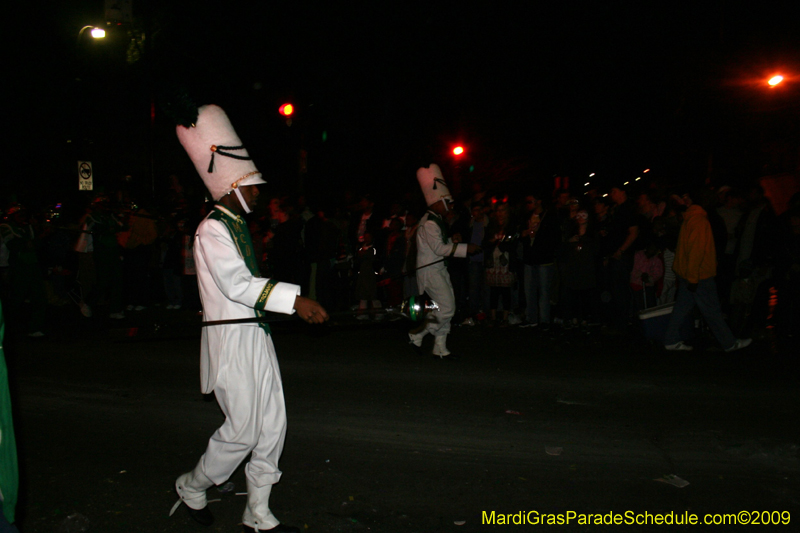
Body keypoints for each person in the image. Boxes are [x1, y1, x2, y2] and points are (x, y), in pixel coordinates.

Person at [172, 105, 328, 533]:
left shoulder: (236, 225)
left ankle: (257, 510)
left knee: (273, 424)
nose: (259, 194)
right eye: (252, 186)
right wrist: (294, 301)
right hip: (231, 342)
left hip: (255, 335)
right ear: (232, 187)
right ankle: (191, 484)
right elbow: (237, 285)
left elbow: (249, 286)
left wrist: (284, 301)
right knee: (242, 430)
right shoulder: (212, 230)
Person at [663, 188, 750, 352]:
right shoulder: (699, 220)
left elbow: (686, 249)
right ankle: (729, 343)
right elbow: (696, 252)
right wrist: (694, 279)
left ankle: (670, 339)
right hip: (698, 275)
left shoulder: (690, 218)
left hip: (687, 273)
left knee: (682, 309)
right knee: (712, 311)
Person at [407, 164, 479, 358]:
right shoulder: (430, 223)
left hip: (437, 269)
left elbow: (440, 245)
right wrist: (465, 248)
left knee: (442, 307)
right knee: (447, 307)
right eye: (446, 201)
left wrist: (452, 240)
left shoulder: (434, 220)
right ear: (437, 202)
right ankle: (418, 333)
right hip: (431, 272)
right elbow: (439, 249)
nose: (449, 205)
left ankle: (439, 345)